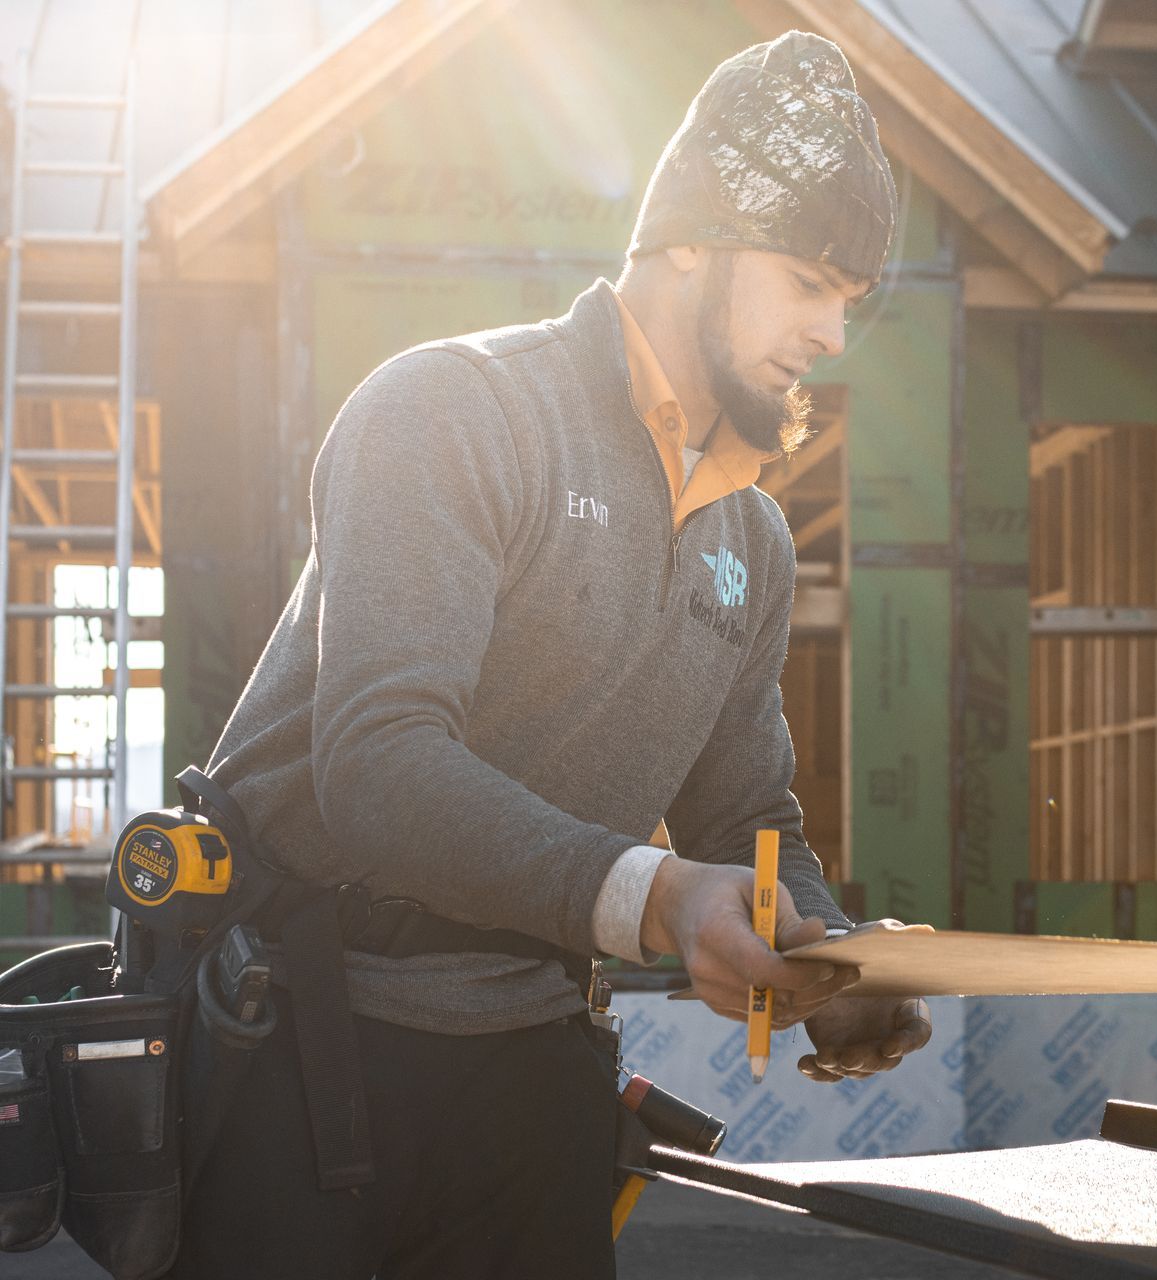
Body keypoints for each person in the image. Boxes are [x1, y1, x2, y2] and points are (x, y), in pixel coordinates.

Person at [172, 31, 932, 1279]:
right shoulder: (456, 411)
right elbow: (378, 763)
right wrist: (661, 895)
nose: (832, 331)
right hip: (303, 1038)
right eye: (808, 278)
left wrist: (826, 956)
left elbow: (747, 817)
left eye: (850, 297)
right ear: (691, 237)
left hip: (530, 1066)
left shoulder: (755, 538)